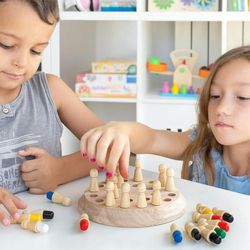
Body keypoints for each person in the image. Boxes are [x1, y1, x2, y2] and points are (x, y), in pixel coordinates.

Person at [81, 46, 250, 195]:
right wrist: (123, 130)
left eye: (243, 97)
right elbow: (152, 139)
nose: (221, 108)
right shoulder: (203, 142)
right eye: (215, 95)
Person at [0, 0, 102, 225]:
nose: (22, 62)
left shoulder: (52, 91)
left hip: (50, 232)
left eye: (36, 51)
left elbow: (109, 148)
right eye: (6, 44)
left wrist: (61, 170)